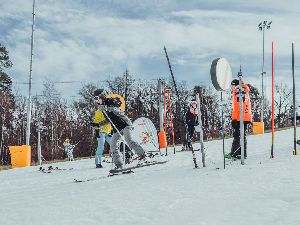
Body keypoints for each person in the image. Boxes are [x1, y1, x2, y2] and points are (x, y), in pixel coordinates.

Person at [94, 89, 147, 169]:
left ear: (103, 97)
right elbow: (108, 120)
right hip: (117, 129)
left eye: (98, 98)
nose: (97, 101)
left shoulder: (111, 101)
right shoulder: (102, 109)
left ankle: (143, 156)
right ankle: (119, 165)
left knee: (129, 140)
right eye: (96, 99)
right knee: (113, 146)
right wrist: (98, 124)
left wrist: (107, 108)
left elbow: (118, 111)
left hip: (125, 125)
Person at [230, 79, 252, 158]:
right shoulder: (244, 89)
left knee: (237, 135)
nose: (231, 87)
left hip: (241, 117)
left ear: (235, 85)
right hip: (245, 116)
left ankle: (234, 154)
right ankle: (242, 154)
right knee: (242, 135)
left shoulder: (238, 90)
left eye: (232, 86)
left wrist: (235, 119)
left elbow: (239, 107)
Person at [91, 89, 113, 168]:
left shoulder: (108, 109)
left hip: (108, 131)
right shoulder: (99, 111)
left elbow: (110, 120)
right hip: (101, 131)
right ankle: (98, 163)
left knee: (114, 145)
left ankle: (117, 159)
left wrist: (111, 130)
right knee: (101, 146)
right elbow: (95, 123)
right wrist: (96, 127)